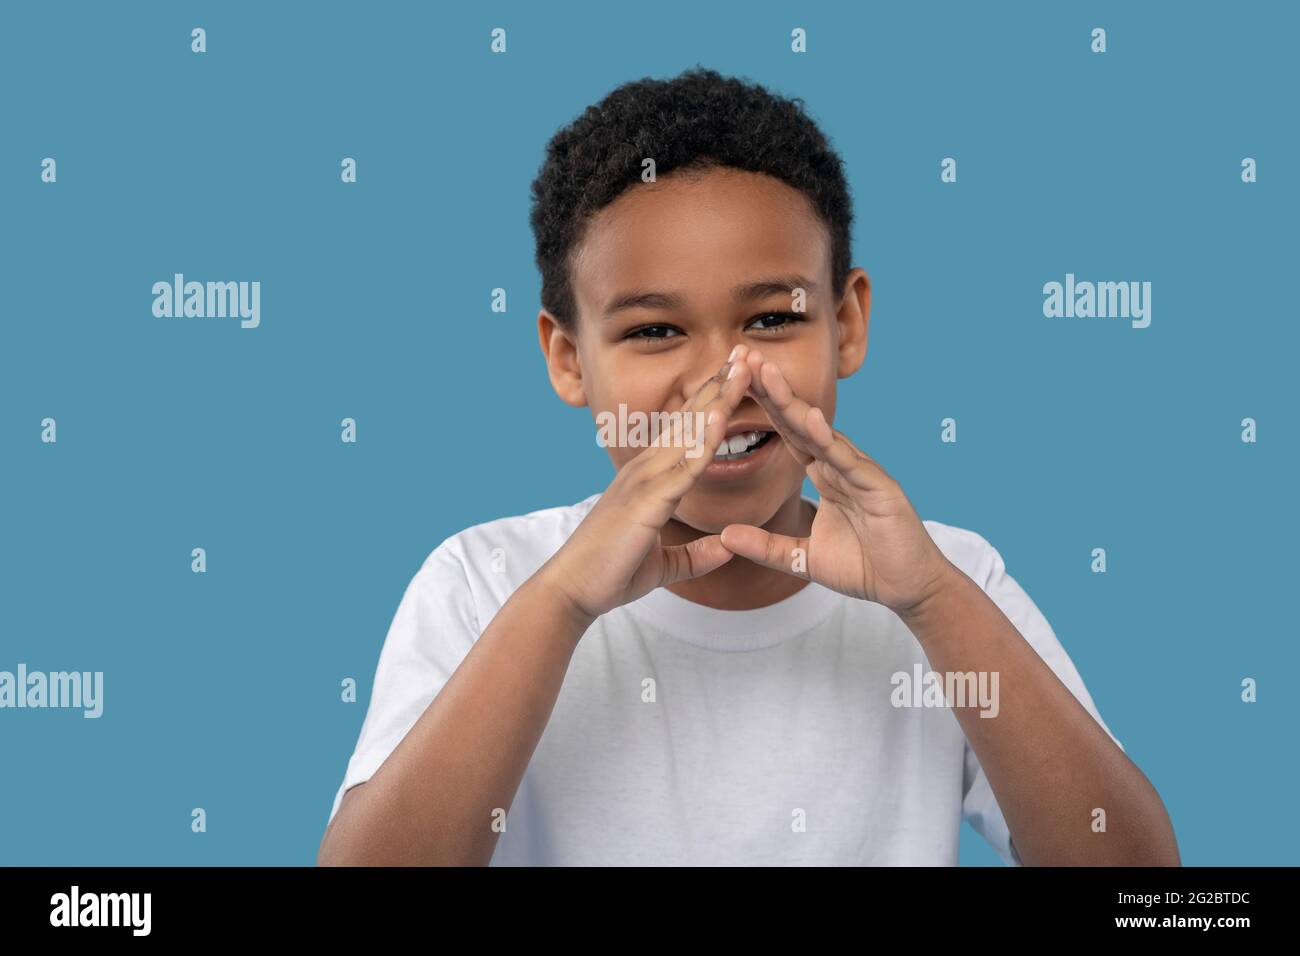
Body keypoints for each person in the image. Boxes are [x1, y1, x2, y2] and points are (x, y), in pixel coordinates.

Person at [316, 67, 1179, 866]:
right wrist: (560, 603)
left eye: (771, 319)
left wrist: (936, 603)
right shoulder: (485, 581)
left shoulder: (952, 583)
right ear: (569, 358)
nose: (726, 383)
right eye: (654, 330)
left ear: (846, 325)